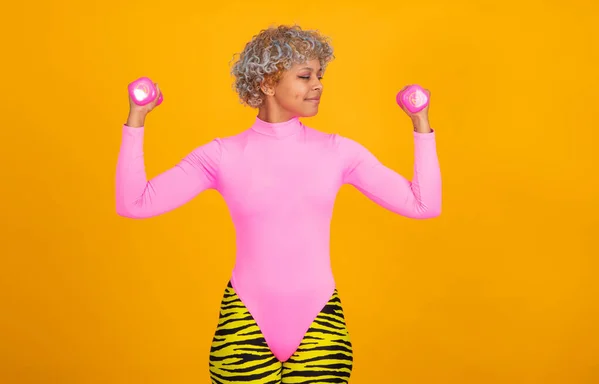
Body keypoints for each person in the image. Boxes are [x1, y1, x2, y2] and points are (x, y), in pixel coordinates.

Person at [115, 24, 442, 384]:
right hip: (243, 326)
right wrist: (137, 119)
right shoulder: (221, 155)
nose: (317, 84)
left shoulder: (338, 151)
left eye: (320, 75)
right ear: (268, 83)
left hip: (321, 326)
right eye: (305, 76)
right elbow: (135, 203)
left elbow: (422, 205)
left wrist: (420, 123)